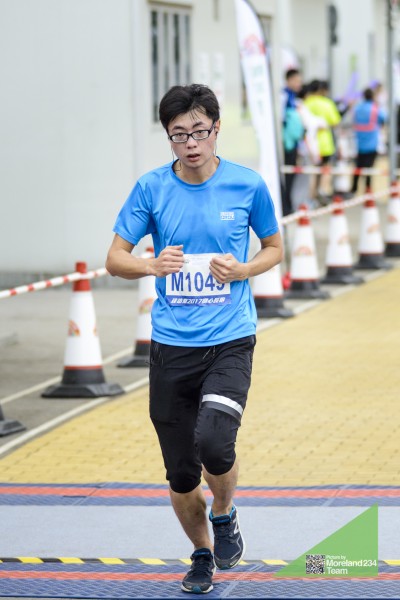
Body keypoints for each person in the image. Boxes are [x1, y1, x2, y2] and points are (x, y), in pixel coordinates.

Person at [106, 84, 282, 594]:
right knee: (182, 473)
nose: (190, 143)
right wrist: (149, 265)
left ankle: (224, 513)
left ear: (216, 129)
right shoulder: (151, 188)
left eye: (199, 132)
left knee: (215, 441)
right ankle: (202, 553)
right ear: (169, 137)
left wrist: (244, 269)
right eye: (178, 134)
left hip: (230, 338)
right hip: (171, 346)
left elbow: (274, 247)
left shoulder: (247, 185)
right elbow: (114, 259)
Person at [304, 79, 342, 203]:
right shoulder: (327, 103)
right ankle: (321, 192)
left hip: (309, 143)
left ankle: (311, 196)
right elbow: (335, 121)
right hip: (324, 143)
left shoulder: (306, 103)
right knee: (324, 169)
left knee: (313, 171)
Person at [351, 87, 386, 194]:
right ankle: (368, 189)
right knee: (369, 168)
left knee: (358, 166)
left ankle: (354, 189)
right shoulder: (375, 108)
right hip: (372, 143)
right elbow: (384, 118)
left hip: (359, 142)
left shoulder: (358, 108)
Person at [281, 68, 304, 215]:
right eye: (296, 81)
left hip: (293, 143)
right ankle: (285, 207)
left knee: (291, 175)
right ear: (289, 80)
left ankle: (288, 205)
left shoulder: (293, 98)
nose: (298, 84)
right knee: (287, 176)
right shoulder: (284, 96)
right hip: (286, 144)